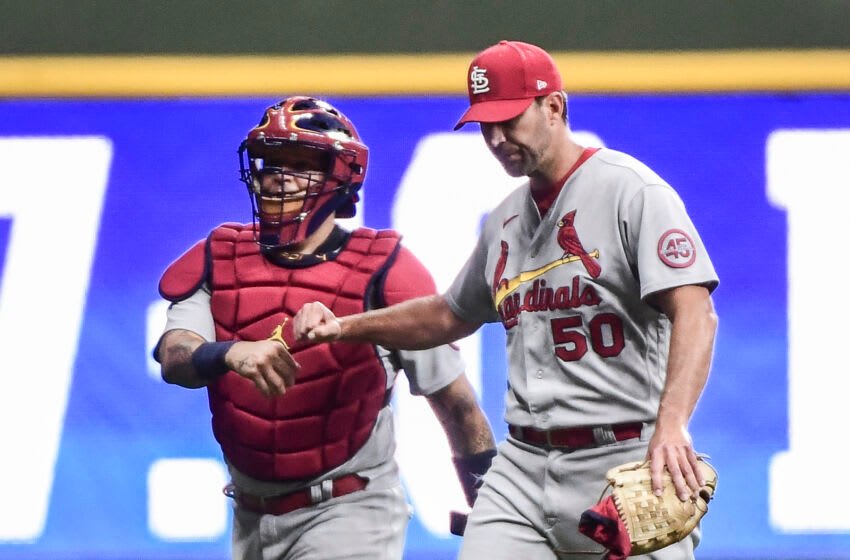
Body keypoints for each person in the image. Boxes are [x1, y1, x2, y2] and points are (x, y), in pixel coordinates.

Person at [293, 41, 719, 560]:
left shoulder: (630, 192)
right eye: (484, 125)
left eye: (509, 120)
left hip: (622, 456)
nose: (495, 138)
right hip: (521, 465)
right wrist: (348, 327)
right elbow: (450, 314)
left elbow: (695, 309)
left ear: (554, 108)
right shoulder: (506, 221)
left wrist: (672, 425)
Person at [153, 96, 496, 560]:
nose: (279, 176)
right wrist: (232, 352)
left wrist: (489, 510)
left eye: (301, 164)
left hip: (349, 509)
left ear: (341, 179)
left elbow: (456, 404)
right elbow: (176, 358)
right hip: (251, 514)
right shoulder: (220, 258)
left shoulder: (385, 272)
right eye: (271, 162)